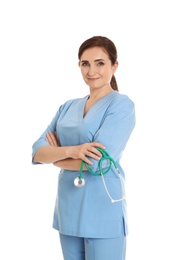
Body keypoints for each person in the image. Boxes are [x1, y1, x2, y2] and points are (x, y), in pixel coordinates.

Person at [32, 35, 135, 260]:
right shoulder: (67, 107)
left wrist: (56, 159)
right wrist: (73, 151)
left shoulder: (121, 106)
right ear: (78, 65)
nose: (91, 71)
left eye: (100, 63)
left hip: (103, 210)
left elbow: (99, 162)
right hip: (68, 210)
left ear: (114, 66)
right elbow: (38, 152)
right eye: (85, 63)